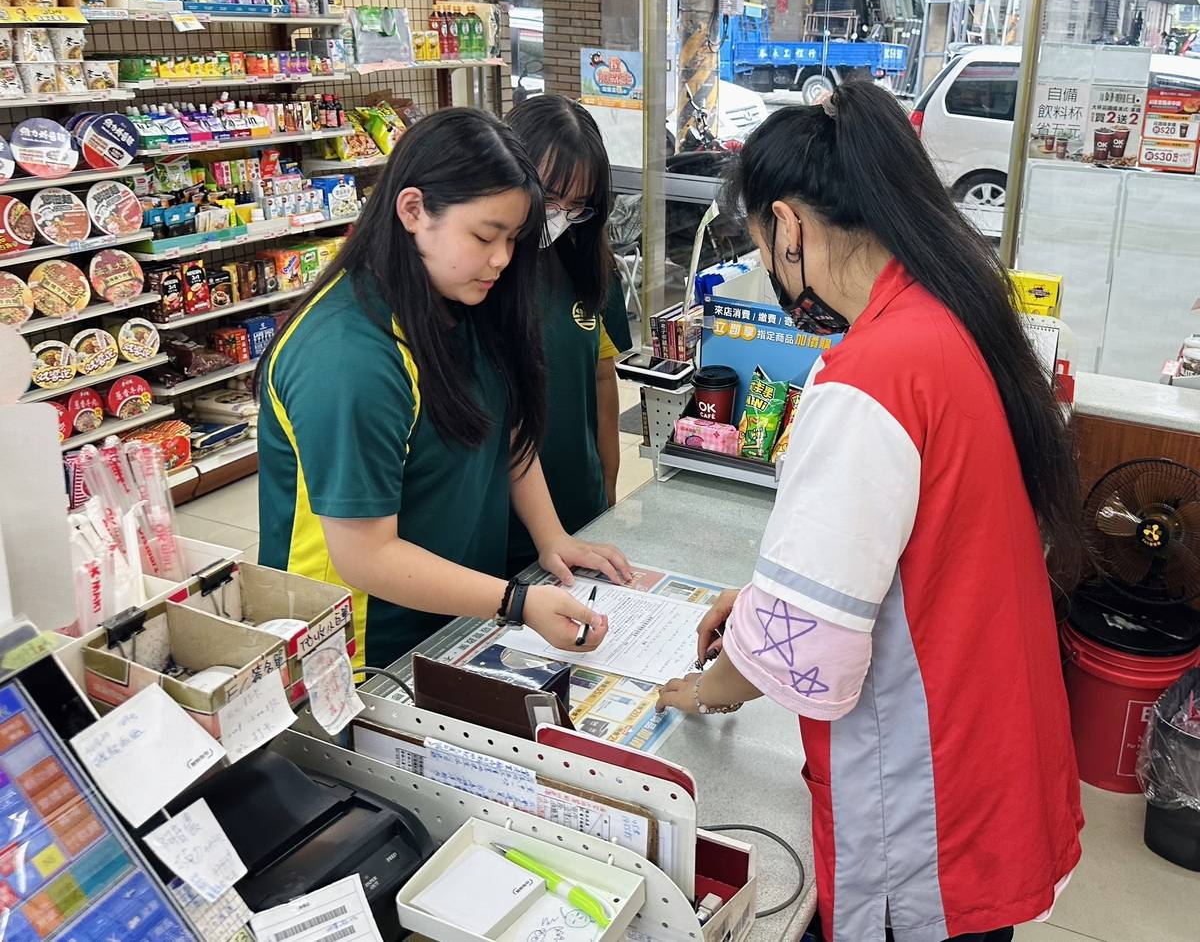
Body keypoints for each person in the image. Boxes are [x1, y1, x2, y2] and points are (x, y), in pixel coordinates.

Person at [657, 82, 1084, 942]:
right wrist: (763, 605)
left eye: (758, 247)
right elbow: (919, 548)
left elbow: (805, 643)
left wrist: (700, 692)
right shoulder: (947, 321)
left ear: (788, 226)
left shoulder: (870, 379)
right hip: (989, 751)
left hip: (924, 790)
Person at [256, 108, 631, 670]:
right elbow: (365, 555)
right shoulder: (349, 356)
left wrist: (552, 537)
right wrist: (514, 602)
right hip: (361, 651)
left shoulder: (464, 299)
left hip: (455, 622)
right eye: (486, 236)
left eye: (513, 238)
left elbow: (506, 429)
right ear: (413, 210)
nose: (503, 259)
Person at [503, 96, 629, 577]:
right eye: (549, 199)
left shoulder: (587, 263)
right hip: (503, 524)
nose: (558, 219)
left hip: (579, 506)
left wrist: (608, 488)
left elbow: (601, 378)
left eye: (577, 207)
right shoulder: (482, 275)